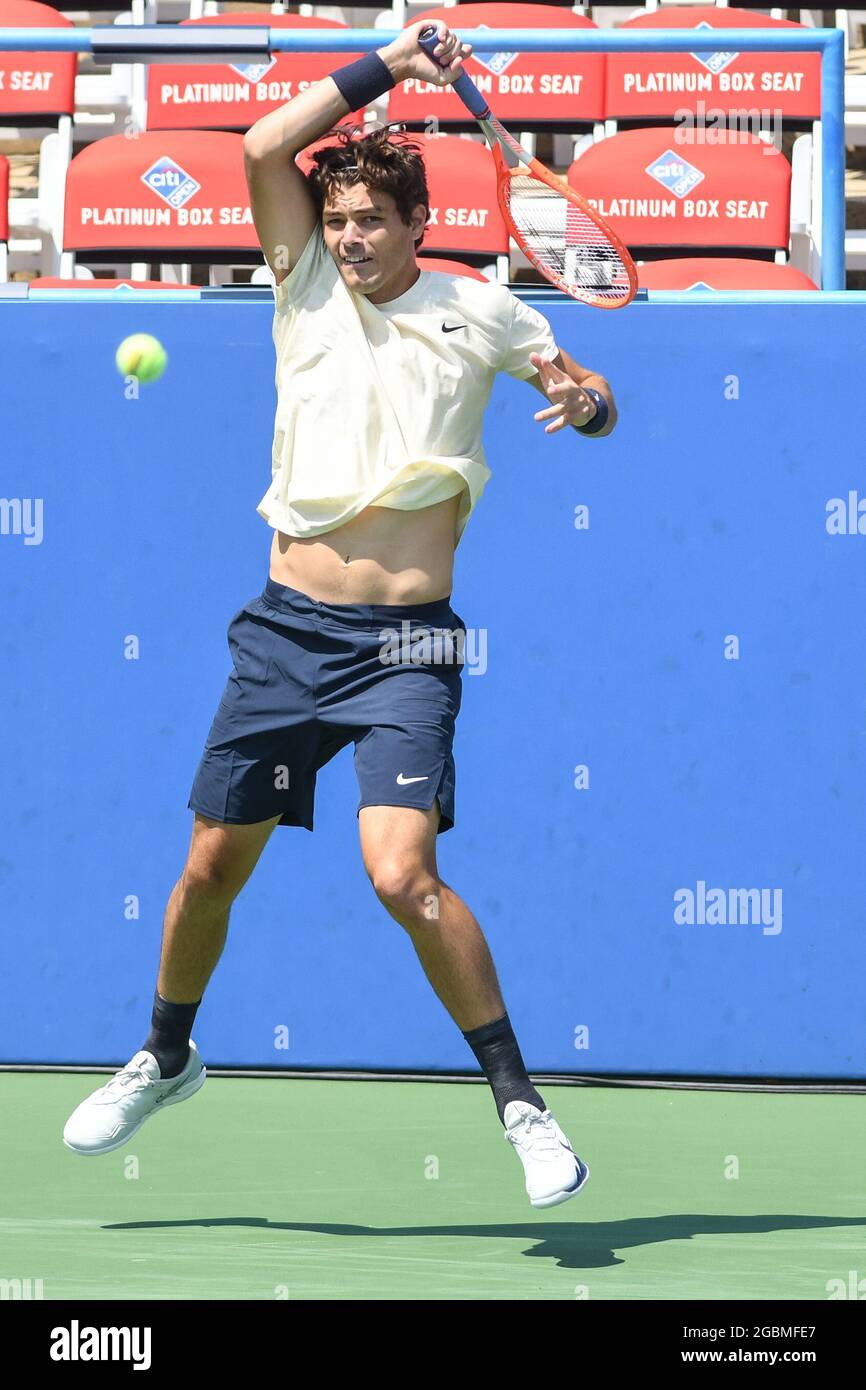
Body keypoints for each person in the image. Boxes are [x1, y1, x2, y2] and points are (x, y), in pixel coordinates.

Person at [63, 20, 617, 1209]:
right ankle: (166, 1052)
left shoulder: (487, 312)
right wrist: (383, 66)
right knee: (212, 864)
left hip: (408, 643)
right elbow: (264, 144)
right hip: (285, 630)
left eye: (372, 220)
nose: (351, 236)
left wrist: (589, 401)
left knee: (401, 876)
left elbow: (584, 393)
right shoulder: (302, 279)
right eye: (338, 219)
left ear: (417, 223)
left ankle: (520, 1105)